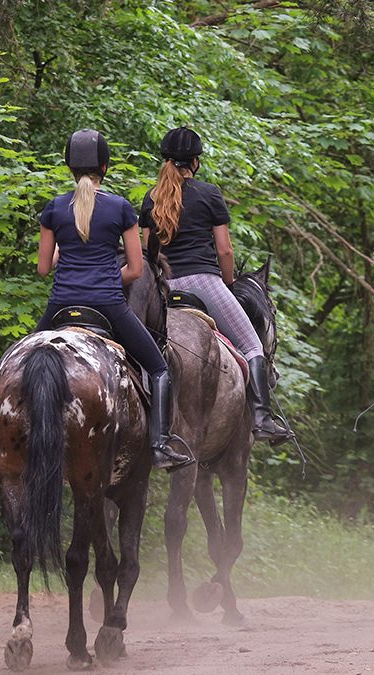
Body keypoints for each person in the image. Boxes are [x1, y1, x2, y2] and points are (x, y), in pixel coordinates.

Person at [34, 128, 195, 472]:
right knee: (159, 367)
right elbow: (136, 270)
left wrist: (68, 252)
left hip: (60, 304)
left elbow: (44, 268)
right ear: (104, 168)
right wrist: (105, 279)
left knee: (22, 360)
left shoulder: (54, 209)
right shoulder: (121, 208)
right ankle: (160, 445)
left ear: (69, 168)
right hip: (107, 305)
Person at [139, 126, 292, 444]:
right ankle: (262, 419)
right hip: (203, 282)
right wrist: (227, 282)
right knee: (251, 346)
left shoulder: (151, 198)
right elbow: (225, 249)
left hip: (164, 287)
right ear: (194, 161)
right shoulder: (209, 194)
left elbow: (149, 254)